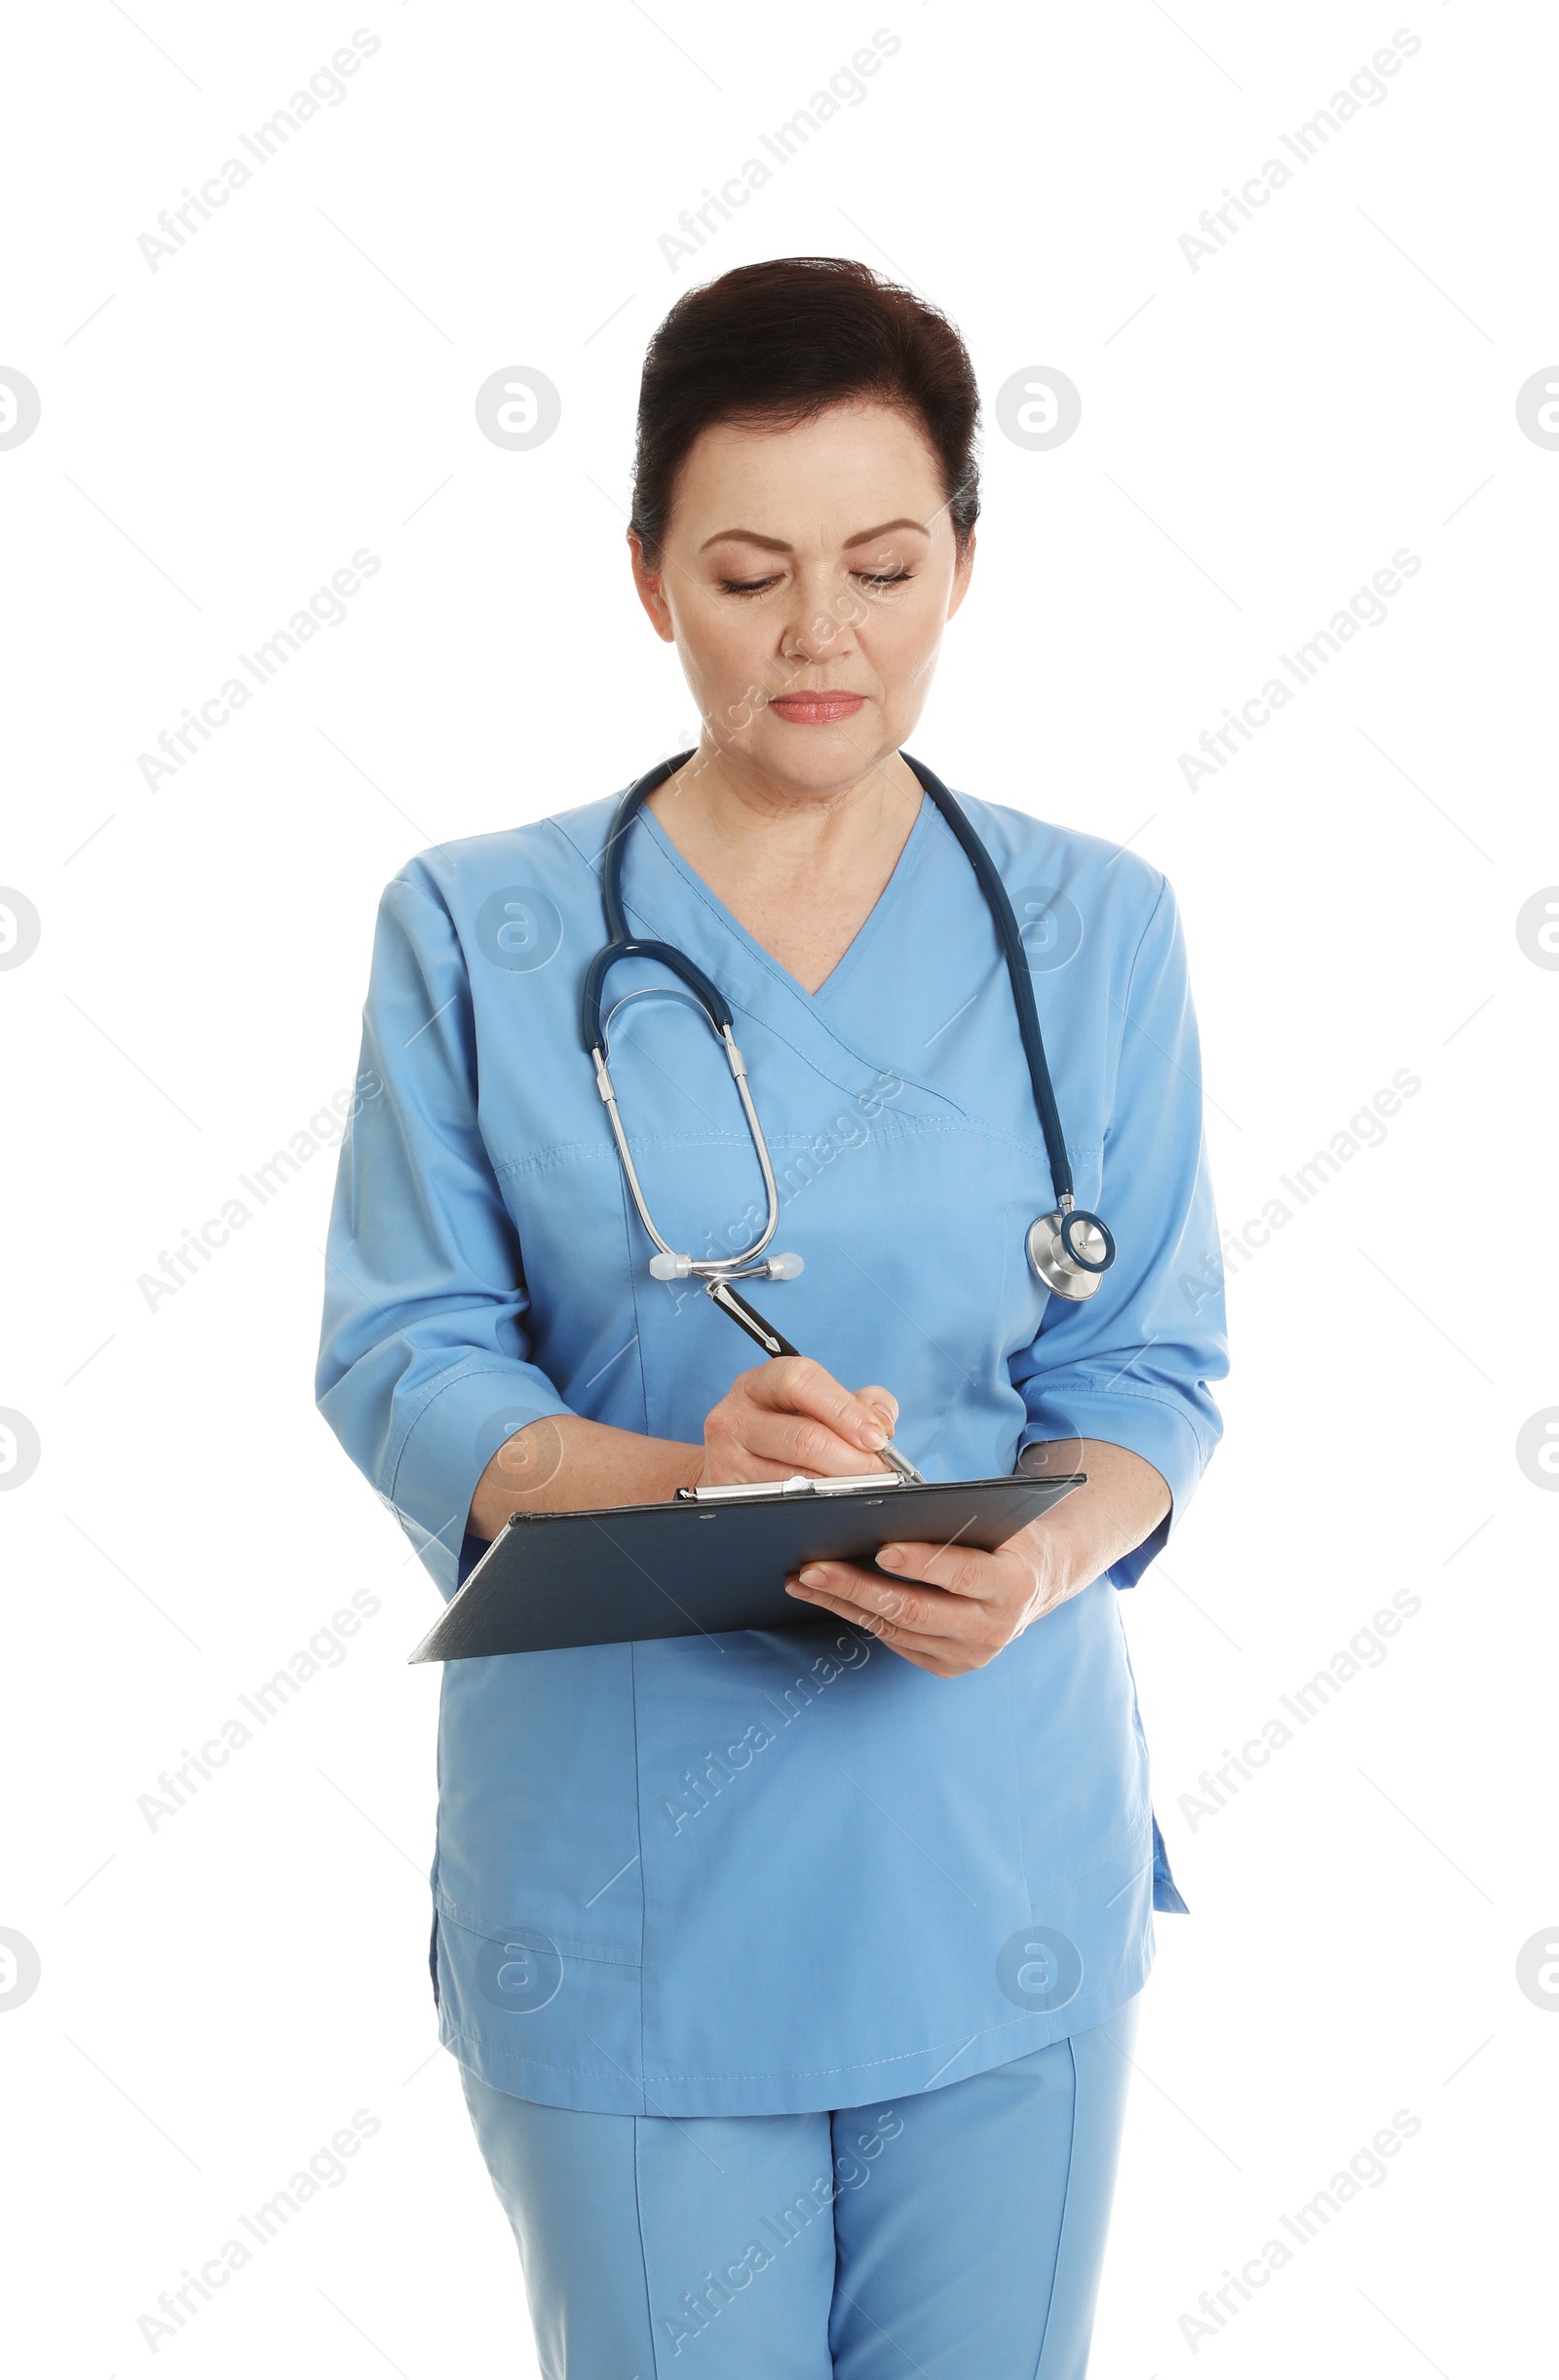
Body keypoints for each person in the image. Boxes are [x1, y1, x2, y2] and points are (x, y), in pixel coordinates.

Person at [317, 255, 1227, 2378]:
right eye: (745, 569)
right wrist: (692, 1476)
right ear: (645, 577)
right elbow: (404, 1347)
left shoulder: (1095, 929)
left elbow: (1145, 1368)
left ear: (962, 569)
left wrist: (1046, 1556)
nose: (820, 634)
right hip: (632, 1887)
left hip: (991, 1852)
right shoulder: (477, 927)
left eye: (882, 564)